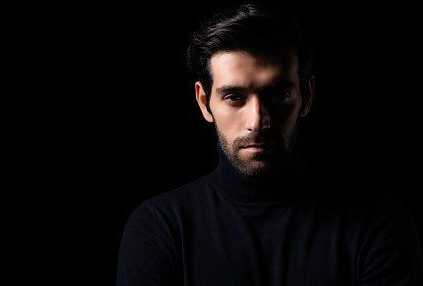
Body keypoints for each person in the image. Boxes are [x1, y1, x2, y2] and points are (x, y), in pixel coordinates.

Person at [116, 3, 423, 285]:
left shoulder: (377, 223)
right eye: (234, 97)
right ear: (204, 102)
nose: (257, 121)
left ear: (307, 96)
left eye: (277, 95)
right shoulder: (159, 228)